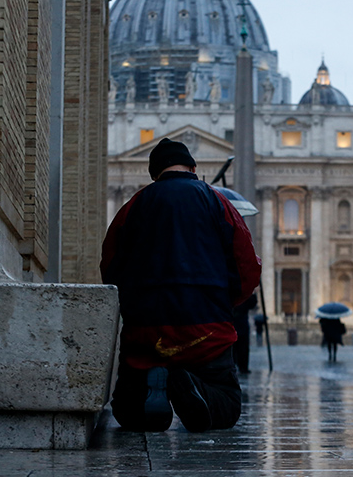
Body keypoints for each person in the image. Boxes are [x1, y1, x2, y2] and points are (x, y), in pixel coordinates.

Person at [100, 138, 262, 433]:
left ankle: (154, 389)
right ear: (193, 167)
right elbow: (247, 264)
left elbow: (110, 267)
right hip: (207, 328)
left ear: (154, 173)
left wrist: (133, 305)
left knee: (127, 411)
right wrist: (225, 303)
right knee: (226, 407)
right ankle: (195, 387)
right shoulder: (216, 201)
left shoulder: (134, 205)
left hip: (147, 332)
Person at [232, 294, 258, 374]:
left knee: (242, 347)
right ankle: (237, 366)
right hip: (233, 324)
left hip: (240, 324)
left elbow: (252, 303)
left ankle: (242, 367)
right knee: (235, 348)